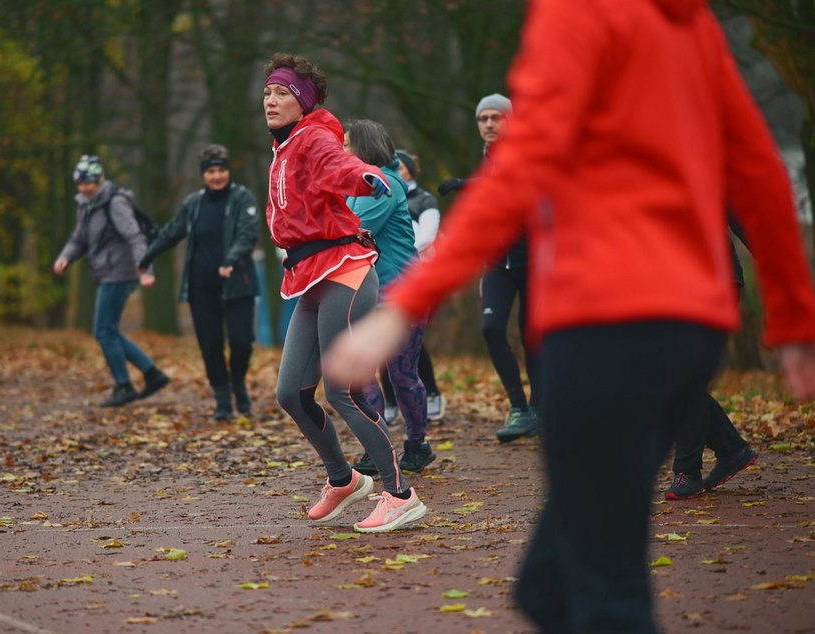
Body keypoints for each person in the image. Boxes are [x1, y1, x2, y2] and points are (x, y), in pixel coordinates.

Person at [322, 1, 815, 632]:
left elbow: (519, 170)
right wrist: (794, 319)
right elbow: (757, 169)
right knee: (550, 582)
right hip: (693, 324)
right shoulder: (688, 24)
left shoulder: (582, 13)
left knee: (605, 586)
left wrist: (407, 305)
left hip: (608, 319)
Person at [263, 52, 427, 533]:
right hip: (309, 278)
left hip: (345, 271)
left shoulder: (313, 135)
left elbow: (338, 166)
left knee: (344, 390)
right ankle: (344, 479)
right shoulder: (284, 146)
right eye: (267, 92)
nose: (270, 100)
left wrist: (364, 177)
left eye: (282, 93)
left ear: (303, 102)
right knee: (291, 392)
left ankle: (400, 495)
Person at [442, 93, 541, 443]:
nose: (488, 124)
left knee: (534, 337)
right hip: (499, 261)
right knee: (491, 327)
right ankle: (520, 407)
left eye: (495, 118)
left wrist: (462, 185)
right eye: (483, 119)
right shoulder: (489, 157)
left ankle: (541, 407)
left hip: (534, 259)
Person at [139, 144, 259, 419]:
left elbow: (247, 234)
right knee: (210, 344)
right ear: (203, 175)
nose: (217, 176)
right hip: (200, 285)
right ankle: (222, 401)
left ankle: (237, 381)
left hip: (237, 281)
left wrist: (230, 259)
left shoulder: (243, 199)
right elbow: (172, 232)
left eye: (221, 170)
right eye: (211, 171)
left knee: (242, 341)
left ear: (228, 170)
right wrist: (147, 257)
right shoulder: (194, 203)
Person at [342, 120, 436, 475]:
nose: (341, 150)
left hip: (402, 293)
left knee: (401, 373)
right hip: (367, 292)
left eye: (347, 144)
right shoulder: (354, 183)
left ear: (364, 147)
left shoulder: (383, 183)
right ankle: (377, 447)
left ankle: (417, 444)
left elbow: (350, 228)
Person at [54, 155, 170, 408]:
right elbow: (79, 239)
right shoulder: (85, 205)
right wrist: (65, 257)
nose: (85, 188)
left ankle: (124, 385)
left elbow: (134, 236)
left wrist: (145, 268)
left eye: (90, 183)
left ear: (100, 179)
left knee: (103, 331)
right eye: (81, 184)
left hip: (120, 272)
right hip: (106, 271)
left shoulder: (114, 202)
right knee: (110, 331)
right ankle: (152, 374)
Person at [666, 220, 758, 499]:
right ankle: (731, 448)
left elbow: (745, 215)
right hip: (667, 286)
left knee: (680, 374)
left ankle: (688, 471)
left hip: (714, 279)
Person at [378, 150, 447, 423]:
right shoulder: (379, 194)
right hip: (387, 276)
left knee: (409, 339)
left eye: (401, 165)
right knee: (386, 338)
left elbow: (427, 237)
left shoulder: (424, 200)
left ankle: (431, 393)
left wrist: (399, 252)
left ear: (410, 169)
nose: (397, 169)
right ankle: (391, 399)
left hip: (418, 275)